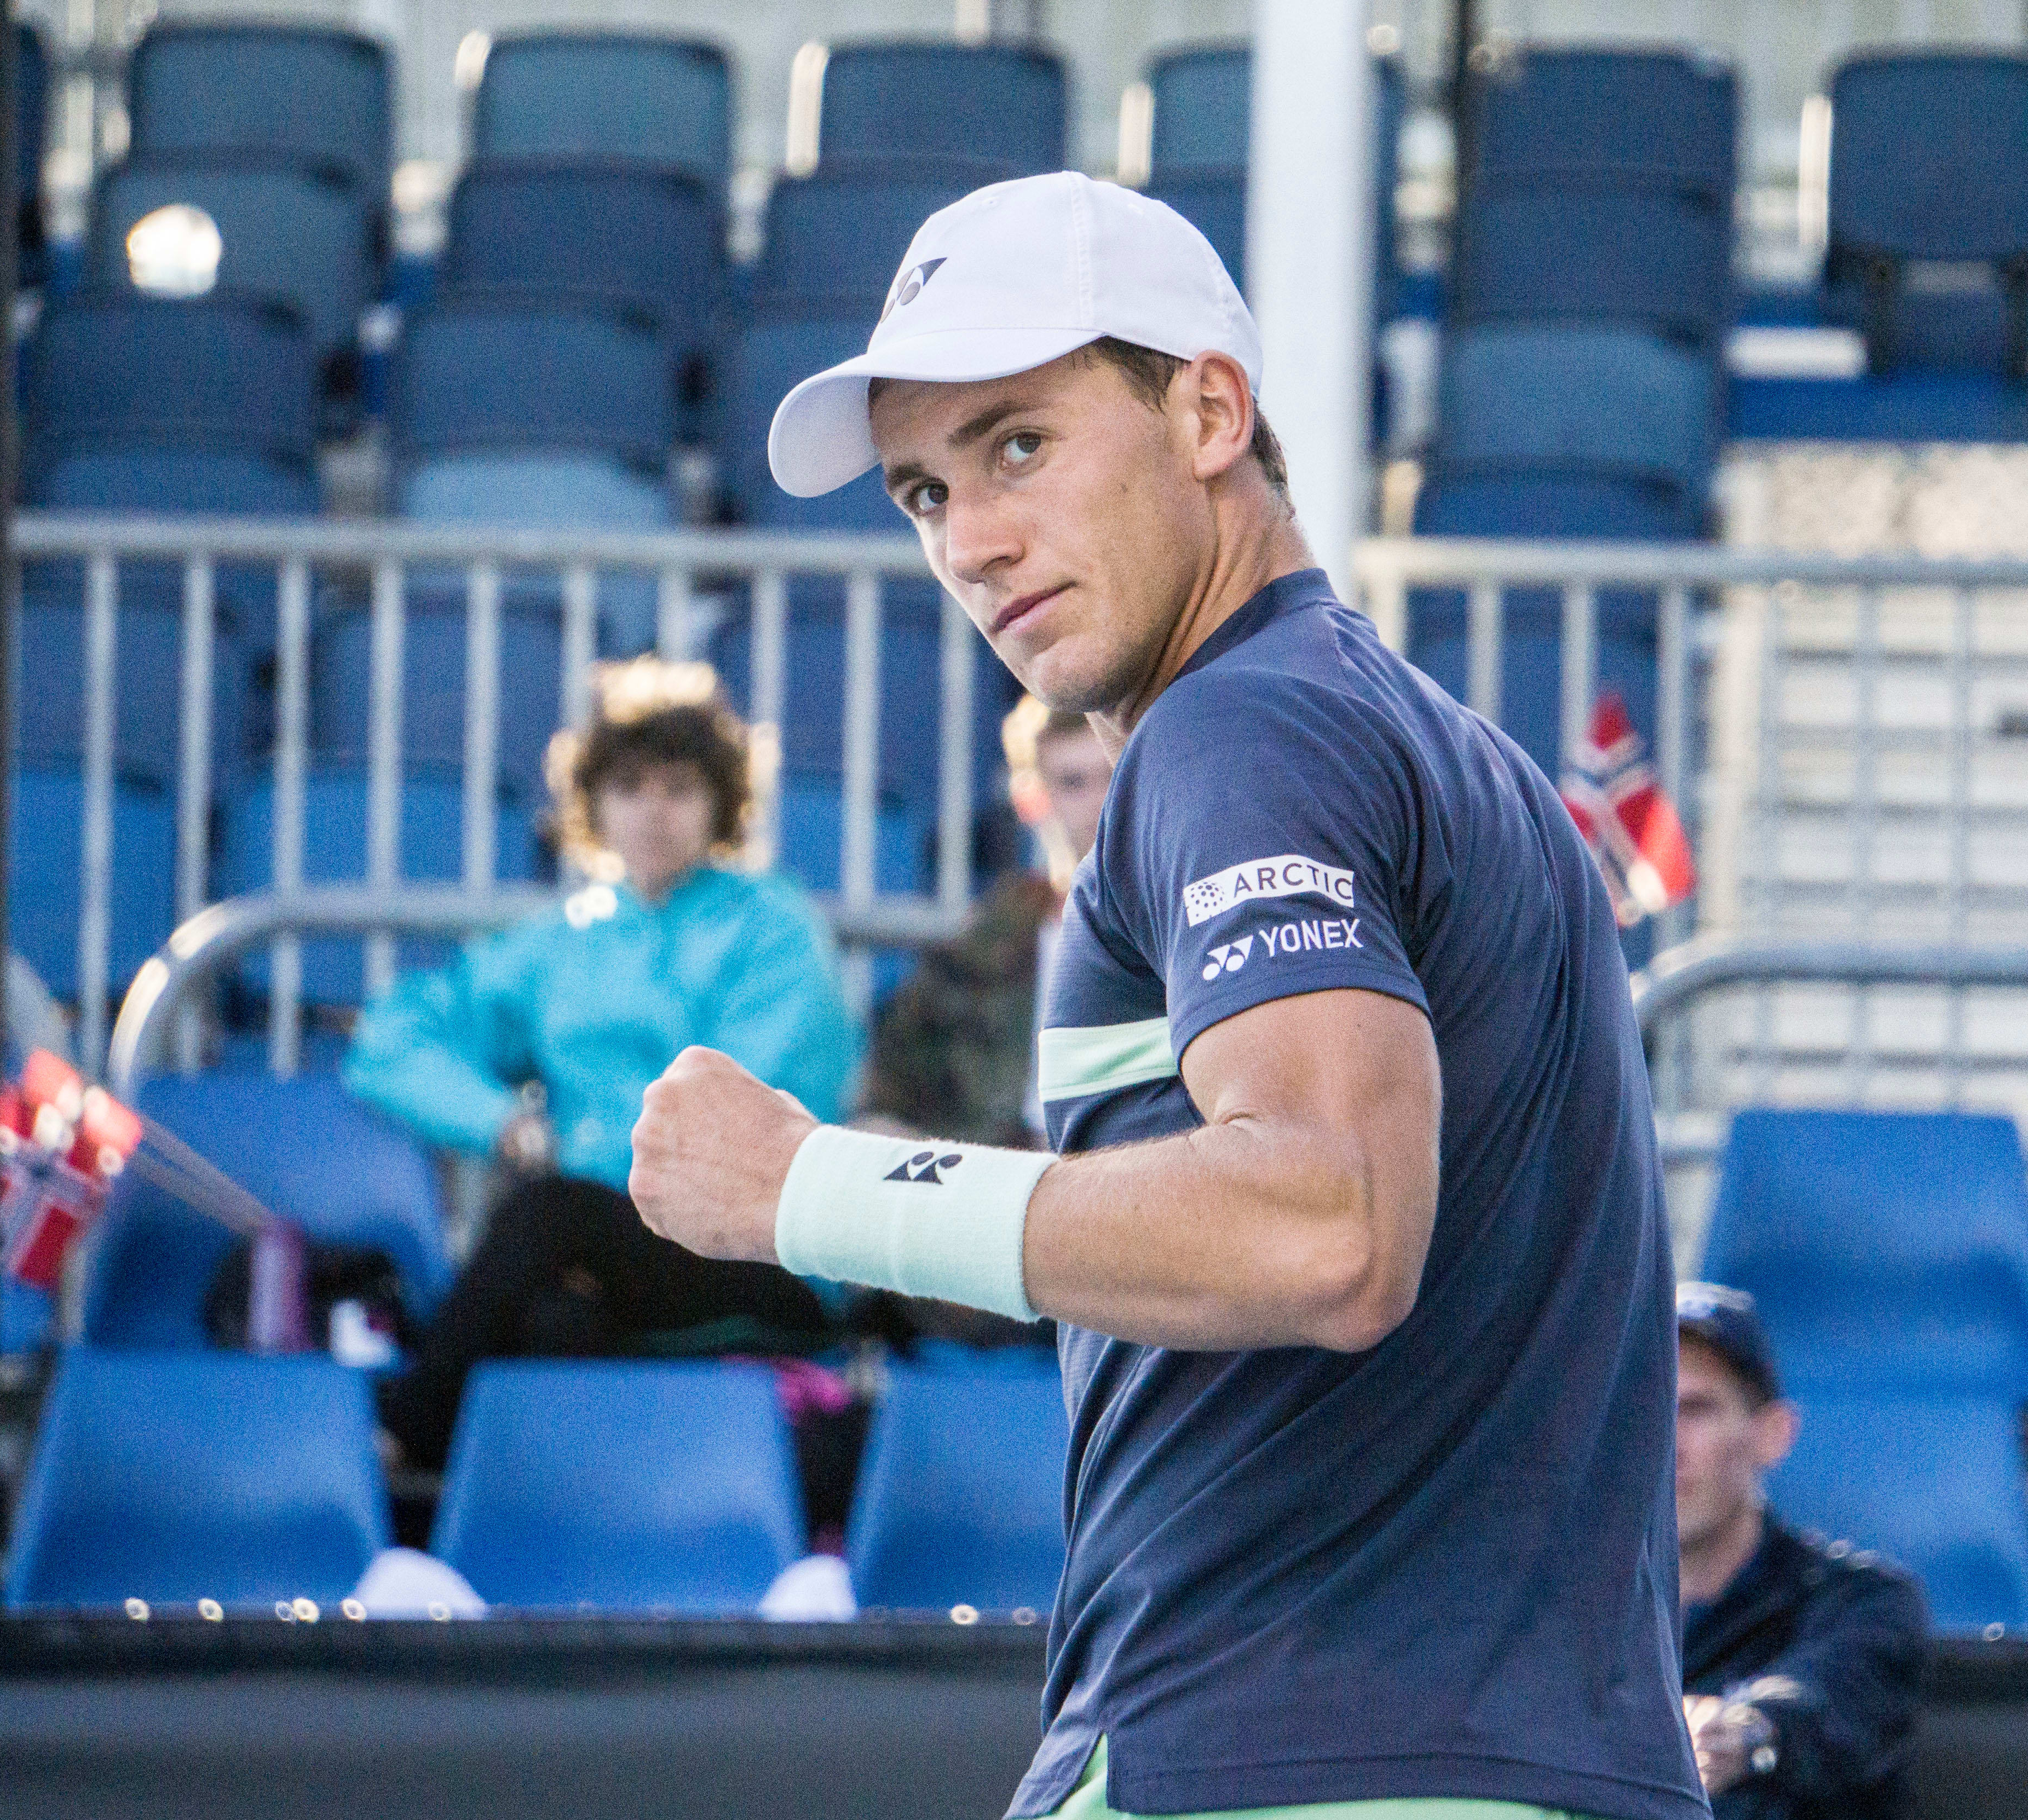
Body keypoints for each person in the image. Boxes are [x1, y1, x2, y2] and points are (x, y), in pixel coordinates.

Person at [629, 171, 1701, 1820]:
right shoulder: (1423, 744)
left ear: (1209, 411)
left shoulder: (1239, 726)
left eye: (1017, 445)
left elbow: (1329, 1225)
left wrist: (805, 1187)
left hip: (1271, 1759)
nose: (968, 541)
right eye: (923, 492)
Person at [345, 659, 857, 1470]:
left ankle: (399, 1431)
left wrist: (573, 1160)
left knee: (549, 1213)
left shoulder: (775, 927)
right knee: (553, 1322)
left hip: (754, 1253)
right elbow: (391, 1040)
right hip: (602, 1250)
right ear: (593, 804)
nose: (652, 811)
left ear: (721, 803)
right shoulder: (563, 937)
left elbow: (748, 1119)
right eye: (628, 787)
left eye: (679, 788)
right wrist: (501, 1122)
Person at [1675, 1282, 1928, 1819]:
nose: (1667, 1442)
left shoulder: (1865, 1600)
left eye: (1695, 1409)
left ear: (1772, 1434)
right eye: (1644, 1409)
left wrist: (1744, 1734)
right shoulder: (1570, 1611)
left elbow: (1834, 1706)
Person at [860, 698, 1114, 1149]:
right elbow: (885, 1103)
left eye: (1115, 776)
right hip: (995, 1174)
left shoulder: (1183, 927)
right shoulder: (979, 949)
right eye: (1073, 783)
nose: (1101, 803)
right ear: (1031, 800)